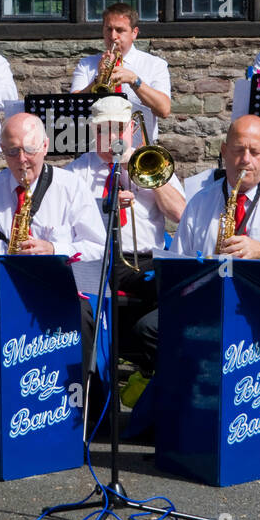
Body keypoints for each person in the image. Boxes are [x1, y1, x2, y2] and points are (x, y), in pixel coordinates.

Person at [135, 115, 260, 430]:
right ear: (223, 151)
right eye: (237, 150)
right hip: (209, 302)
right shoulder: (200, 203)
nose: (245, 160)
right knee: (148, 329)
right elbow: (178, 266)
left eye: (254, 151)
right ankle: (202, 401)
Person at [65, 96, 184, 368]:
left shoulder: (151, 161)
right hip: (98, 260)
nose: (111, 138)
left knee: (179, 282)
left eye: (118, 129)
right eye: (102, 130)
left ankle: (163, 369)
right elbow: (65, 226)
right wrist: (103, 207)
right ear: (93, 131)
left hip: (143, 260)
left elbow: (180, 214)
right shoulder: (76, 172)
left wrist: (151, 177)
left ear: (131, 128)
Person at [0, 112, 104, 260]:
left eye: (29, 149)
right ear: (3, 150)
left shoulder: (73, 187)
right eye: (13, 151)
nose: (22, 159)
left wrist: (54, 249)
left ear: (45, 146)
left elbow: (98, 249)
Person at [70, 3, 171, 142]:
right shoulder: (86, 64)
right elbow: (72, 108)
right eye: (108, 29)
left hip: (137, 150)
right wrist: (98, 80)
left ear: (134, 33)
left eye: (120, 30)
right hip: (95, 151)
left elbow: (164, 110)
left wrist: (135, 81)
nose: (113, 36)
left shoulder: (154, 64)